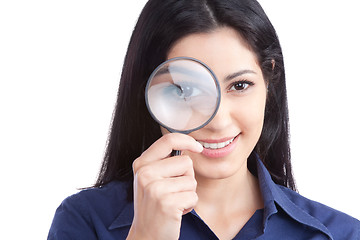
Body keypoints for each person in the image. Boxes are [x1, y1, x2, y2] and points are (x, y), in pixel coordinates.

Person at [48, 0, 360, 239]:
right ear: (148, 94)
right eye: (185, 90)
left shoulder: (340, 234)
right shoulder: (84, 221)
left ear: (270, 82)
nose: (219, 121)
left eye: (240, 86)